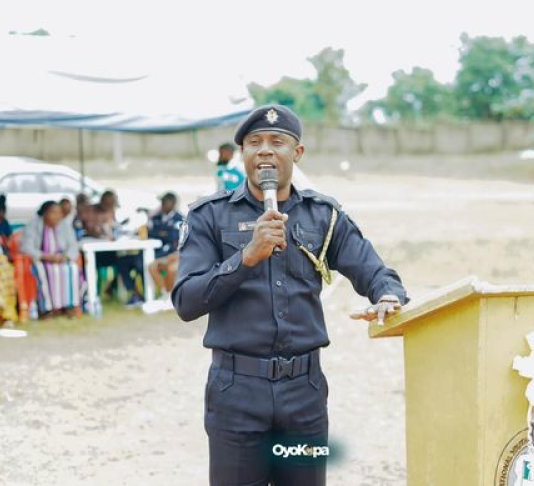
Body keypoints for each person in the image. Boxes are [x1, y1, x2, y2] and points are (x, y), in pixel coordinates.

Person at [172, 105, 409, 485]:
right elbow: (186, 301)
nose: (264, 150)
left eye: (276, 142)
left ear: (296, 154)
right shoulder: (209, 217)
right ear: (243, 154)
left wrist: (388, 295)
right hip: (237, 392)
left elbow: (374, 270)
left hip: (304, 394)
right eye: (254, 142)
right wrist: (246, 257)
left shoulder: (323, 216)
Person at [21, 201, 81, 319]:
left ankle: (69, 306)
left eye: (59, 213)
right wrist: (45, 256)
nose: (57, 216)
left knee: (71, 269)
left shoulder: (64, 225)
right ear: (44, 214)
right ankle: (47, 308)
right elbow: (26, 247)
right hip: (41, 259)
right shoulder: (33, 225)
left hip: (61, 259)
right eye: (53, 213)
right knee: (43, 271)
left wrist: (66, 256)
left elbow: (73, 246)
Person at [84, 190, 142, 307]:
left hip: (111, 250)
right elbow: (89, 229)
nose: (110, 206)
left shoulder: (111, 211)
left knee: (123, 262)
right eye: (108, 203)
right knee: (92, 264)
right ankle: (93, 294)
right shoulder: (91, 210)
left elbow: (114, 227)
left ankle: (120, 289)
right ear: (102, 201)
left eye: (112, 204)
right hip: (95, 253)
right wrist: (101, 231)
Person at [147, 192, 183, 299]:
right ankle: (166, 294)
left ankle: (172, 295)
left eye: (166, 203)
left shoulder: (180, 218)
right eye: (162, 202)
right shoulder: (156, 217)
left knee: (171, 268)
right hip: (160, 253)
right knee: (151, 266)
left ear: (173, 204)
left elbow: (174, 237)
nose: (163, 205)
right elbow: (150, 233)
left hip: (176, 254)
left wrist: (162, 233)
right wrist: (163, 233)